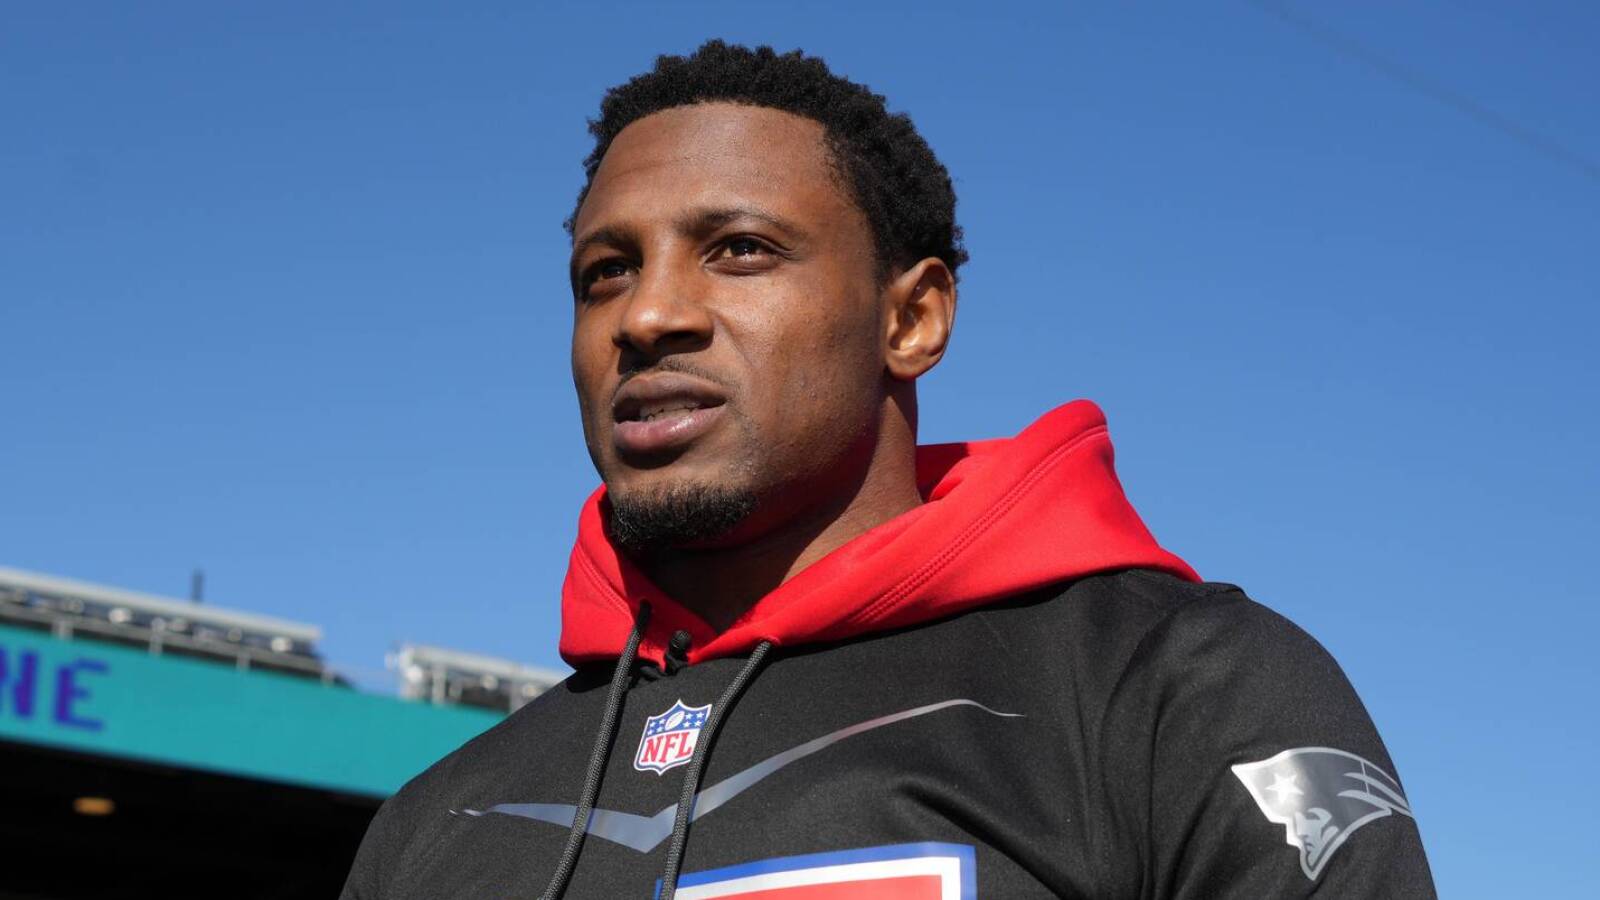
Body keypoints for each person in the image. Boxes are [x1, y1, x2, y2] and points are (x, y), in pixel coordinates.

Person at [341, 41, 1435, 899]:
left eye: (739, 249)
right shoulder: (441, 815)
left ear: (912, 319)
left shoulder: (1168, 686)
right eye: (605, 272)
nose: (649, 314)